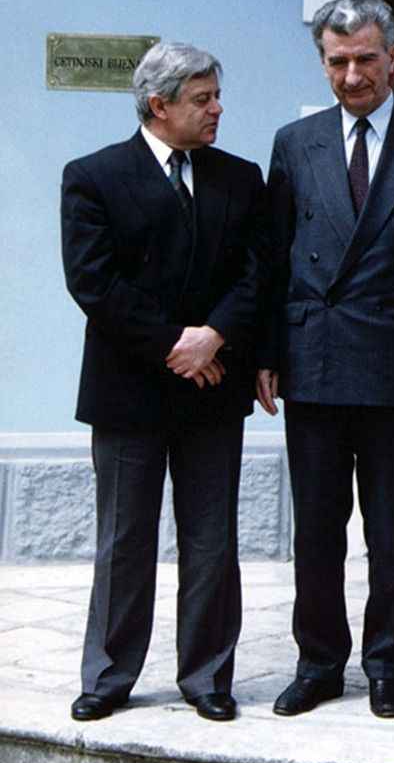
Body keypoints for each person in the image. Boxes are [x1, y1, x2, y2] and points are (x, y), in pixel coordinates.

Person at [257, 0, 394, 719]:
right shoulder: (296, 143)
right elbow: (273, 257)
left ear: (393, 57)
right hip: (313, 360)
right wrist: (267, 351)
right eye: (337, 62)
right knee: (317, 531)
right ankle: (318, 663)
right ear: (322, 61)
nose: (352, 76)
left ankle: (386, 665)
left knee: (390, 530)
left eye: (366, 60)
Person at [61, 41, 265, 722]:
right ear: (159, 105)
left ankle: (207, 676)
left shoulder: (240, 178)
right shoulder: (93, 177)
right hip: (129, 392)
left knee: (212, 541)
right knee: (124, 540)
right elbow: (93, 282)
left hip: (214, 387)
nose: (218, 109)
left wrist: (215, 336)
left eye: (216, 96)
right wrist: (176, 343)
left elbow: (258, 272)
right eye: (203, 99)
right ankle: (109, 674)